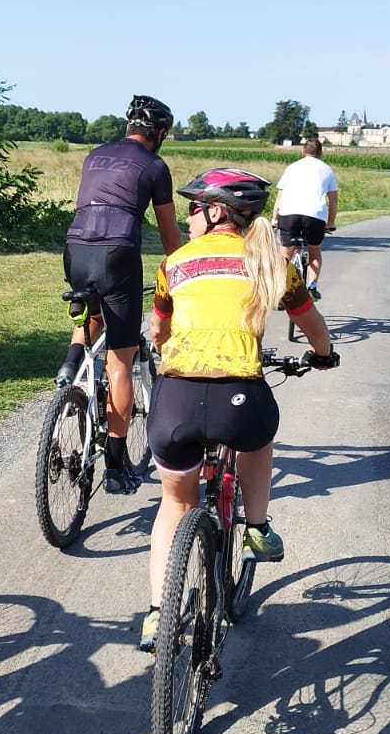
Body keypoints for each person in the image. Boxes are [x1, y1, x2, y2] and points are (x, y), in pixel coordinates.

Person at [139, 167, 337, 651]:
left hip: (177, 397)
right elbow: (311, 323)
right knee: (258, 437)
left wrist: (165, 346)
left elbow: (159, 331)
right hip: (239, 397)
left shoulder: (175, 263)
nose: (188, 218)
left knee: (175, 502)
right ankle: (256, 527)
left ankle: (158, 615)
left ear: (213, 211)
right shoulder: (273, 264)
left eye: (192, 208)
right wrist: (324, 355)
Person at [60, 94, 184, 494]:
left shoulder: (94, 155)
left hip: (76, 250)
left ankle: (70, 365)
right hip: (119, 254)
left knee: (90, 314)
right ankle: (115, 463)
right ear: (159, 133)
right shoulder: (154, 165)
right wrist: (184, 273)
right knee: (120, 358)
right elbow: (168, 235)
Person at [271, 137, 338, 299]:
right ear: (320, 153)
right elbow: (333, 200)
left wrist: (275, 219)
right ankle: (312, 287)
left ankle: (280, 290)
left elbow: (279, 197)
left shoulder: (292, 168)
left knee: (285, 254)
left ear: (303, 152)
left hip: (289, 212)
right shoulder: (327, 170)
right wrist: (330, 223)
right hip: (315, 215)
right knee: (314, 250)